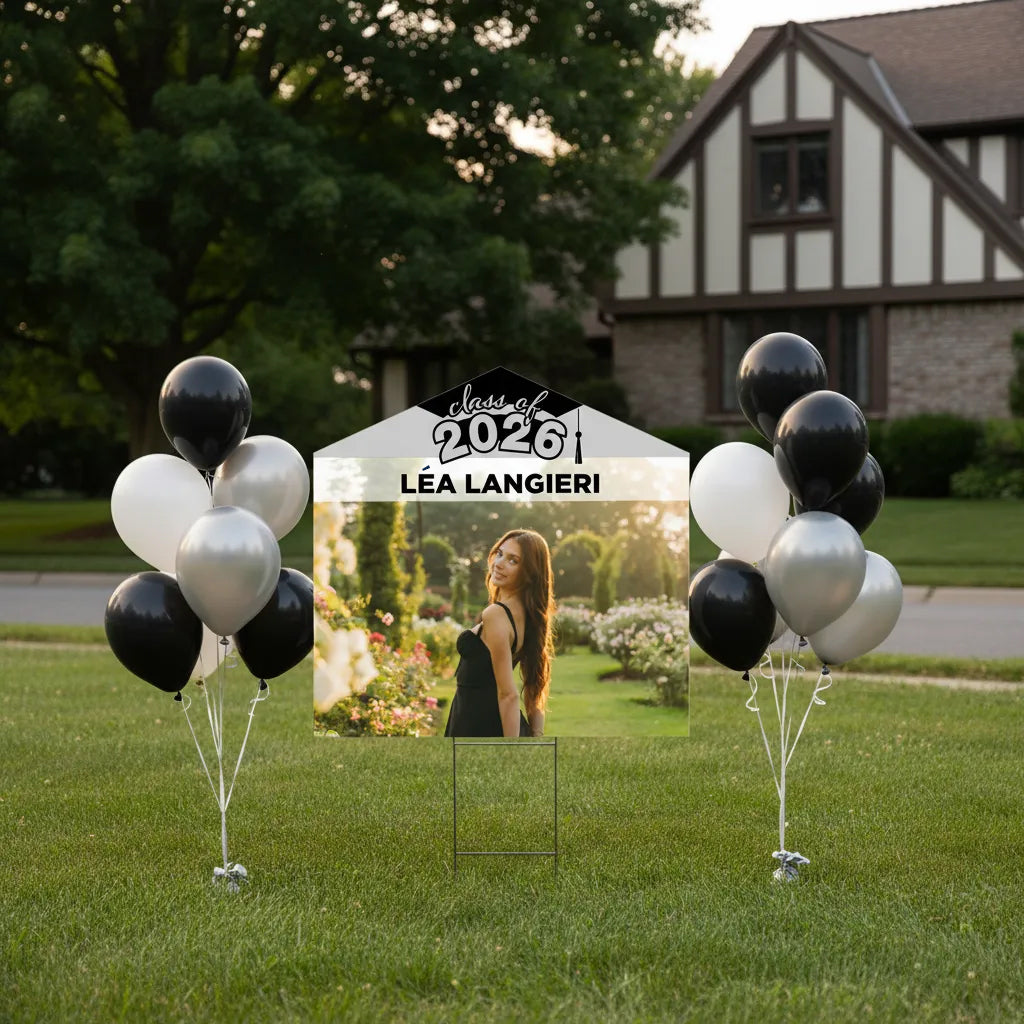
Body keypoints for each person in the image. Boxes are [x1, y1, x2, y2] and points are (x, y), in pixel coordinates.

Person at [443, 529, 554, 738]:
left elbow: (508, 694)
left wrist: (510, 750)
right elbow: (534, 686)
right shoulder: (529, 616)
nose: (499, 563)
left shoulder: (496, 614)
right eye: (500, 554)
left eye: (513, 560)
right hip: (485, 723)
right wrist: (536, 736)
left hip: (479, 727)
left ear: (530, 572)